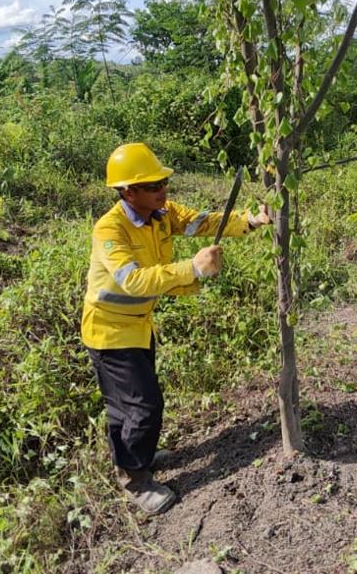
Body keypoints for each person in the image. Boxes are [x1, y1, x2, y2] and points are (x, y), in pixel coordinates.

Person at [84, 142, 269, 515]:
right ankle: (135, 480)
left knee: (127, 408)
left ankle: (138, 457)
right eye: (152, 186)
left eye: (163, 182)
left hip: (138, 328)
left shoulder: (161, 213)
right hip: (109, 333)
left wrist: (249, 220)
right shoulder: (110, 230)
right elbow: (132, 281)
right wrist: (194, 268)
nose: (162, 190)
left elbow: (203, 221)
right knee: (143, 408)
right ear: (127, 191)